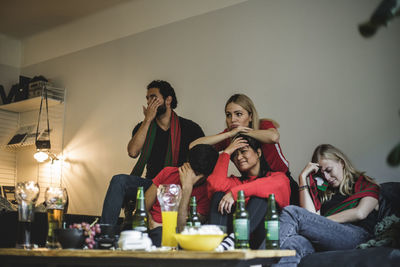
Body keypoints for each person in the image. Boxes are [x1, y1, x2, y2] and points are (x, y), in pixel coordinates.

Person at [100, 80, 205, 225]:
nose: (149, 102)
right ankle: (106, 232)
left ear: (168, 100)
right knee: (119, 180)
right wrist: (147, 120)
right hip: (150, 183)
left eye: (153, 97)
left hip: (177, 184)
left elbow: (202, 161)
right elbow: (132, 152)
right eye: (147, 98)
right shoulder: (143, 127)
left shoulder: (190, 128)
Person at [276, 144, 380, 266]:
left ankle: (259, 260)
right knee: (293, 243)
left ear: (341, 163)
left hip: (357, 236)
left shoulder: (367, 184)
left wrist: (321, 221)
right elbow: (310, 215)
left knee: (291, 212)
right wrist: (303, 178)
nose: (326, 177)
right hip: (325, 239)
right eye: (322, 173)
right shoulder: (324, 193)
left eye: (329, 170)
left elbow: (360, 213)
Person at [190, 93, 299, 205]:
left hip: (278, 185)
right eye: (228, 115)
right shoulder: (230, 136)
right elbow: (193, 146)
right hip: (250, 185)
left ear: (250, 116)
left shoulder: (263, 126)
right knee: (219, 196)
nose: (233, 119)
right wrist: (228, 134)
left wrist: (244, 131)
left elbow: (274, 137)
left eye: (238, 114)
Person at [207, 135, 291, 249]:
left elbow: (279, 184)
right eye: (235, 155)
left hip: (264, 240)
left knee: (263, 196)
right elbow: (214, 185)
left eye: (243, 151)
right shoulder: (235, 182)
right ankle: (217, 247)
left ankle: (235, 239)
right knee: (219, 195)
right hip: (229, 245)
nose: (239, 157)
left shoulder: (277, 177)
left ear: (258, 153)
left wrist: (235, 193)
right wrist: (226, 153)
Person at [144, 144, 219, 246]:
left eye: (196, 174)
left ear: (207, 176)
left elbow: (182, 229)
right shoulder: (168, 172)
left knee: (161, 235)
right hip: (150, 228)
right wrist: (151, 222)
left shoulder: (208, 193)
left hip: (173, 236)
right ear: (186, 164)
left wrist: (187, 189)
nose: (191, 175)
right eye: (190, 169)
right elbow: (143, 206)